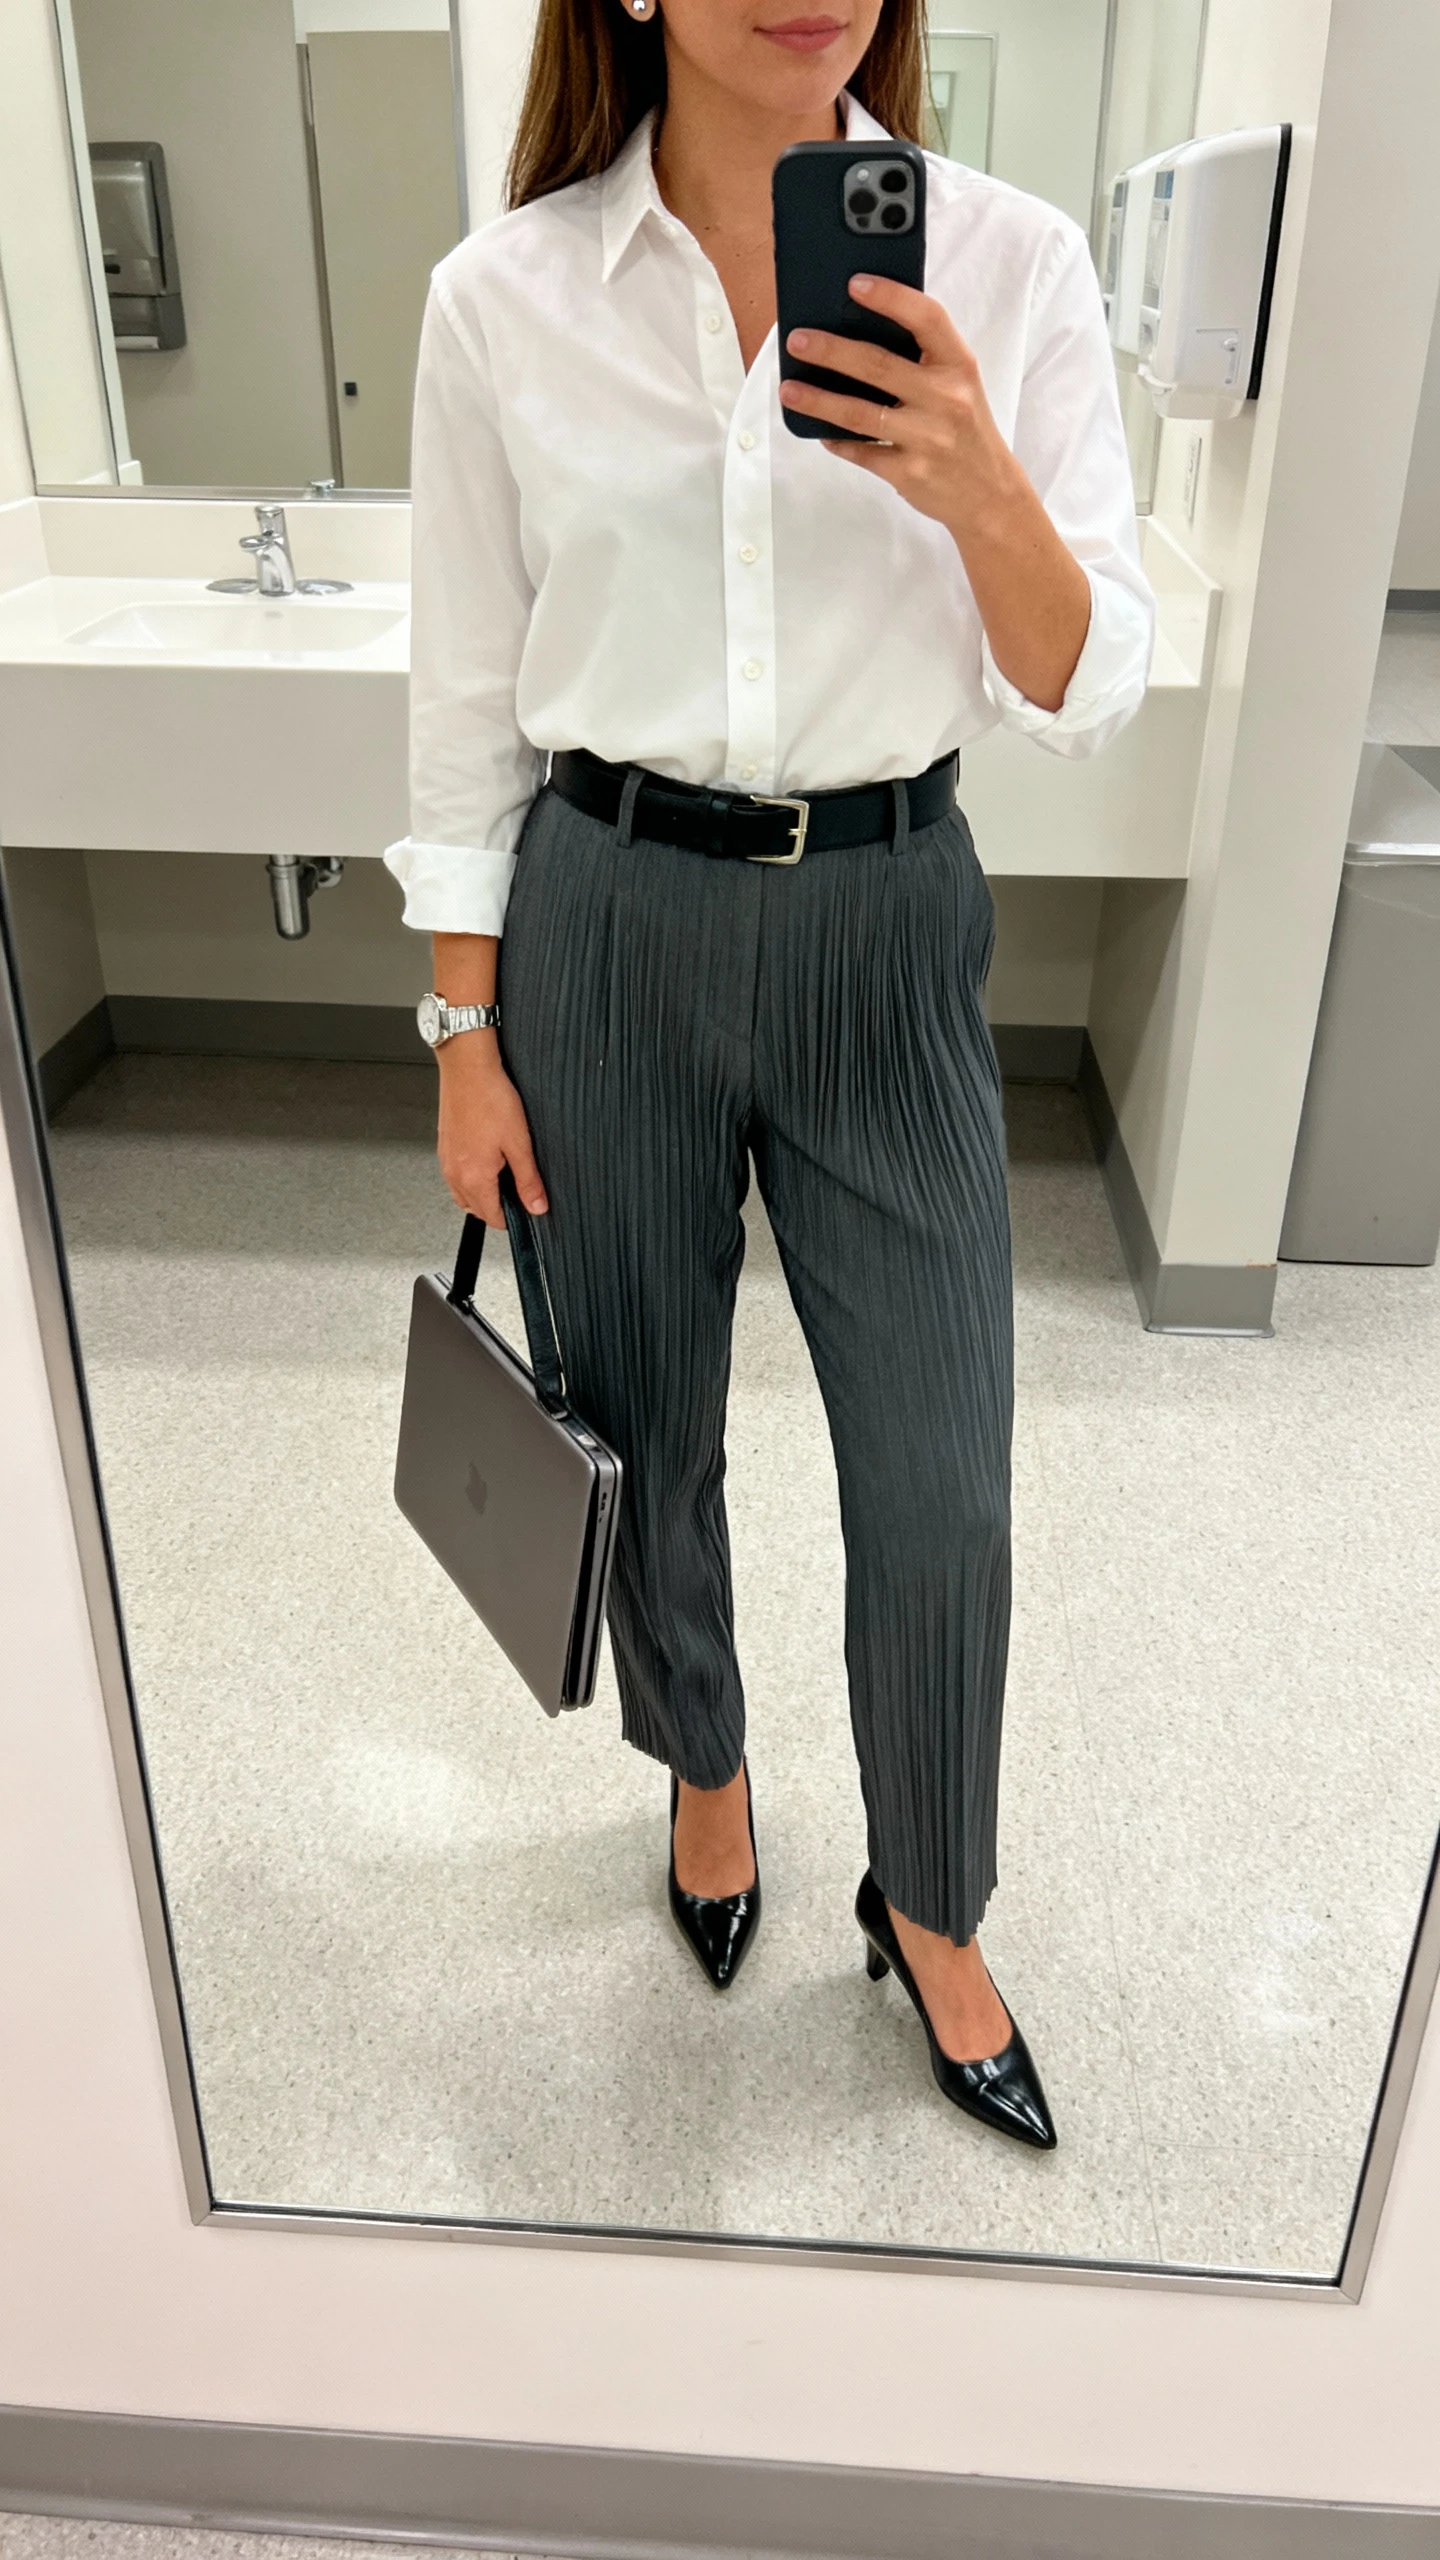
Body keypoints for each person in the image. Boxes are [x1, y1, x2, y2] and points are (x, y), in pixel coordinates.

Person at [385, 0, 1152, 2149]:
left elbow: (1088, 678)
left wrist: (973, 473)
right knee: (642, 1417)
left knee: (945, 1472)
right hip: (603, 921)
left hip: (889, 920)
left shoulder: (1006, 268)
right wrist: (467, 1032)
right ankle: (704, 1772)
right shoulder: (502, 299)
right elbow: (462, 703)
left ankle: (930, 1892)